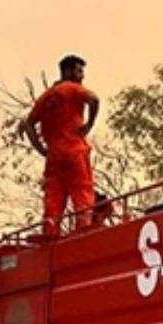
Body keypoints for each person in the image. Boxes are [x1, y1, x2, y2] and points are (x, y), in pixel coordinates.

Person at [22, 54, 101, 237]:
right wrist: (89, 123)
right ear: (68, 71)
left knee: (53, 201)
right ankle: (83, 229)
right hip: (74, 152)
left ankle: (50, 234)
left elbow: (28, 124)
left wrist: (41, 149)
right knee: (83, 193)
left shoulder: (46, 97)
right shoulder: (72, 89)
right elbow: (94, 99)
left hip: (54, 157)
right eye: (79, 71)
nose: (82, 76)